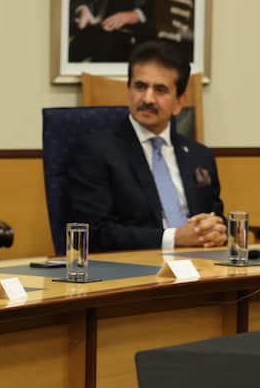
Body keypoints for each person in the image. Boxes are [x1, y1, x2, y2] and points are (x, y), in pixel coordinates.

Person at [65, 41, 225, 252]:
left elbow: (215, 217)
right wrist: (174, 238)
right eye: (140, 87)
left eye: (160, 90)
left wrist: (216, 231)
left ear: (179, 102)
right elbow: (95, 234)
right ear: (129, 89)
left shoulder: (199, 155)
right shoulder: (95, 152)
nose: (148, 99)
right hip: (136, 267)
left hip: (201, 265)